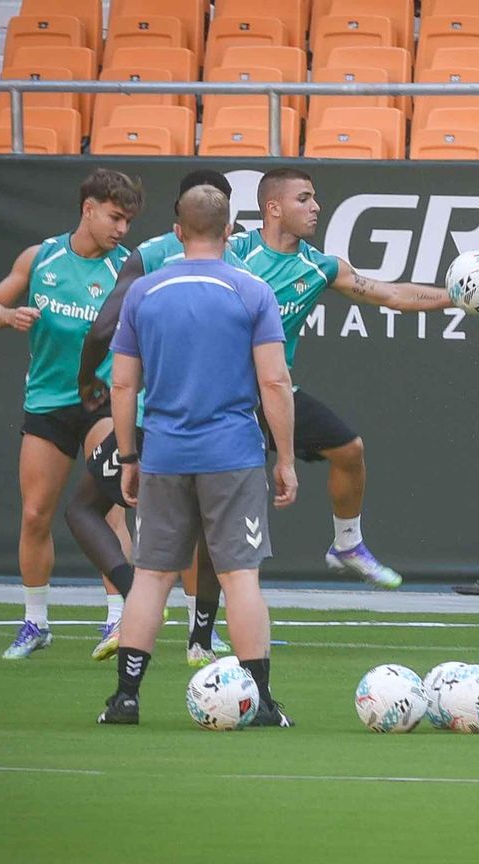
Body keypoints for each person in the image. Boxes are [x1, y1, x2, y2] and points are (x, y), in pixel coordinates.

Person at [97, 185, 299, 727]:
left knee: (151, 577)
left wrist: (129, 455)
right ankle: (261, 703)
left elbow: (123, 385)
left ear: (178, 232)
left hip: (164, 453)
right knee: (240, 578)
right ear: (230, 231)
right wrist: (285, 458)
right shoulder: (252, 291)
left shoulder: (144, 292)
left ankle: (125, 699)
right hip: (233, 454)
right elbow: (275, 382)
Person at [227, 167, 470, 590]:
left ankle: (347, 545)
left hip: (276, 393)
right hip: (222, 397)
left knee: (349, 449)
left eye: (314, 198)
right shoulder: (232, 252)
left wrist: (456, 297)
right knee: (222, 510)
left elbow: (391, 294)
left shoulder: (319, 266)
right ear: (273, 208)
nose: (316, 207)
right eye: (303, 198)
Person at [75, 169, 245, 666]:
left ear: (179, 218)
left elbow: (104, 328)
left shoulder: (150, 256)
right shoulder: (240, 269)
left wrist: (87, 379)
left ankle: (134, 600)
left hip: (157, 424)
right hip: (223, 429)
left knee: (83, 509)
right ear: (226, 221)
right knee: (211, 535)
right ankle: (201, 639)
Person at [0, 168, 143, 660]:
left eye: (128, 220)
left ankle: (118, 619)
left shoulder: (129, 269)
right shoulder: (41, 256)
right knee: (35, 514)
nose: (122, 229)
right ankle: (35, 623)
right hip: (47, 403)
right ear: (88, 209)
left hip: (102, 403)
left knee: (109, 509)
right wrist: (8, 316)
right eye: (115, 217)